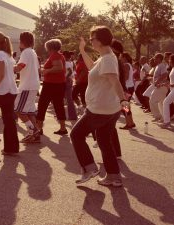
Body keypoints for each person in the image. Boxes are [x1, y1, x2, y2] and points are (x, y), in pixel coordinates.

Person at [70, 26, 128, 187]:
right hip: (109, 109)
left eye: (92, 39)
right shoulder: (105, 58)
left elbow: (114, 80)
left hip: (99, 109)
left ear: (101, 40)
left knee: (76, 135)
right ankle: (114, 177)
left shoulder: (108, 58)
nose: (91, 42)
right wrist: (82, 50)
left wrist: (123, 100)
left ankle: (89, 168)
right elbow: (91, 67)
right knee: (104, 141)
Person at [13, 31, 41, 143]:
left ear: (22, 41)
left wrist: (10, 67)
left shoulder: (26, 52)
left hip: (27, 86)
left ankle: (32, 130)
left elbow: (20, 67)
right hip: (33, 85)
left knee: (18, 110)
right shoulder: (33, 52)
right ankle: (36, 135)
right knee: (29, 111)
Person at [36, 39, 68, 136]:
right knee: (59, 105)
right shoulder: (60, 55)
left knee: (42, 105)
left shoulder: (55, 55)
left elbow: (59, 67)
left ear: (50, 47)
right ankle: (63, 128)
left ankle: (39, 128)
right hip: (59, 84)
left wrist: (46, 71)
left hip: (51, 84)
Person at [149, 53, 169, 121]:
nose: (154, 59)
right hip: (159, 86)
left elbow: (165, 74)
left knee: (152, 100)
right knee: (161, 103)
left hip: (161, 86)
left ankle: (157, 116)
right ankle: (163, 118)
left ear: (159, 59)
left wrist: (157, 81)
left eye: (155, 58)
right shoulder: (158, 66)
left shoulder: (162, 65)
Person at [119, 52, 136, 129]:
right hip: (130, 87)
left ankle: (129, 123)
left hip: (127, 88)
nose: (120, 58)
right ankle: (130, 122)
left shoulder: (126, 65)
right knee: (126, 106)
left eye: (121, 57)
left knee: (124, 106)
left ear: (124, 58)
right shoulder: (129, 65)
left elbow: (125, 77)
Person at [63, 50, 78, 121]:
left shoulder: (66, 63)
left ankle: (72, 116)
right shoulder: (71, 62)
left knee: (69, 99)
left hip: (67, 81)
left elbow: (70, 71)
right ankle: (71, 115)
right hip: (70, 80)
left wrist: (65, 78)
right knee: (68, 99)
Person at [161, 54, 174, 128]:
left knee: (165, 102)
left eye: (169, 59)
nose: (168, 61)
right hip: (172, 89)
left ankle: (167, 122)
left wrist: (171, 85)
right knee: (166, 102)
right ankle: (167, 122)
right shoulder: (172, 68)